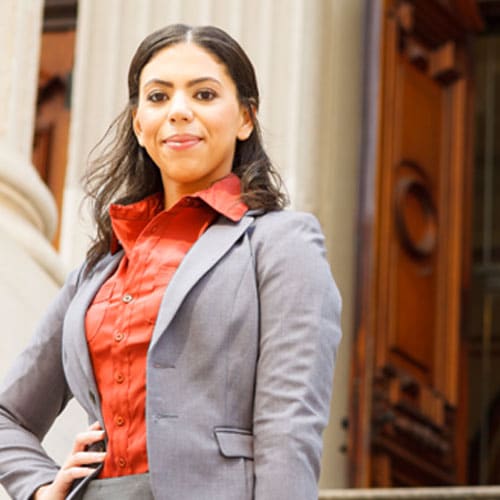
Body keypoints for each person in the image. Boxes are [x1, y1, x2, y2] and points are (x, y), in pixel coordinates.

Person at [0, 24, 341, 500]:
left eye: (203, 94)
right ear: (140, 125)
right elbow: (8, 417)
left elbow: (289, 426)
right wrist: (39, 487)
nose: (179, 112)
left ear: (246, 118)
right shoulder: (98, 271)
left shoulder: (282, 243)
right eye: (158, 98)